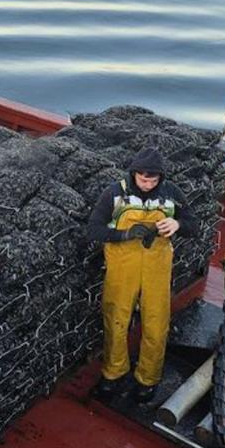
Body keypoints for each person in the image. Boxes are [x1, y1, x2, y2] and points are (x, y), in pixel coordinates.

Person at [86, 147, 196, 405]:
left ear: (161, 179)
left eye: (153, 181)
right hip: (123, 267)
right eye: (142, 180)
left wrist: (178, 224)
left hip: (157, 268)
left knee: (156, 324)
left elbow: (194, 226)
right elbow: (94, 229)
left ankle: (148, 379)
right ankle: (114, 373)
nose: (147, 185)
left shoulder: (172, 195)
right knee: (116, 319)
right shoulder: (113, 194)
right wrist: (124, 235)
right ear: (133, 174)